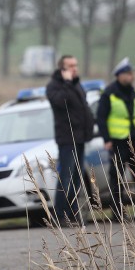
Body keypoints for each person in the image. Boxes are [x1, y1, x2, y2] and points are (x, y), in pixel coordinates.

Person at [97, 58, 135, 221]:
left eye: (132, 73)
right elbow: (101, 117)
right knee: (117, 178)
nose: (132, 76)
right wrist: (106, 139)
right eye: (128, 74)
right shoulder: (109, 93)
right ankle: (118, 214)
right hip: (117, 141)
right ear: (119, 75)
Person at [46, 55, 95, 226]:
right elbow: (61, 102)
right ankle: (59, 216)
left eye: (76, 65)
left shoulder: (76, 84)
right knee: (65, 177)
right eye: (70, 66)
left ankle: (73, 214)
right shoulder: (55, 86)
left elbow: (83, 108)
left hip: (80, 137)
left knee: (76, 178)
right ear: (62, 69)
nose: (75, 68)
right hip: (67, 138)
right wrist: (67, 83)